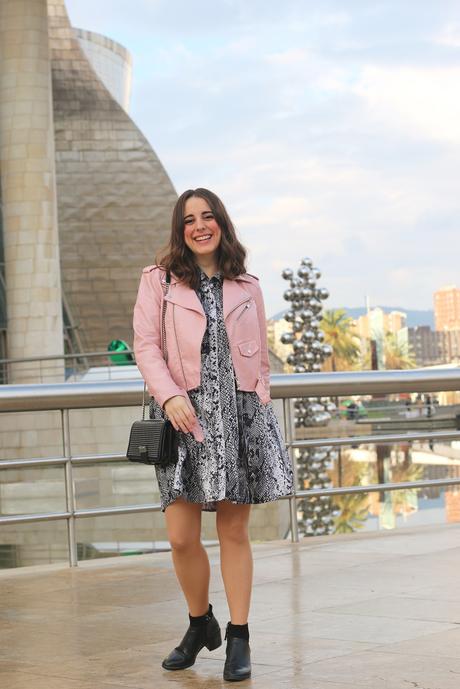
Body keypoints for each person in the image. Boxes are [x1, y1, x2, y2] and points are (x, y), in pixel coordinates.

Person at [133, 188, 293, 681]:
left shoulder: (247, 284)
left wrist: (259, 398)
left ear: (221, 223)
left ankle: (239, 636)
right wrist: (170, 396)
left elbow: (260, 356)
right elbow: (145, 345)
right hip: (184, 418)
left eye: (208, 217)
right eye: (189, 220)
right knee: (181, 537)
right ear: (179, 230)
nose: (200, 226)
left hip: (239, 417)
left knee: (234, 532)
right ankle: (200, 622)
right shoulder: (158, 280)